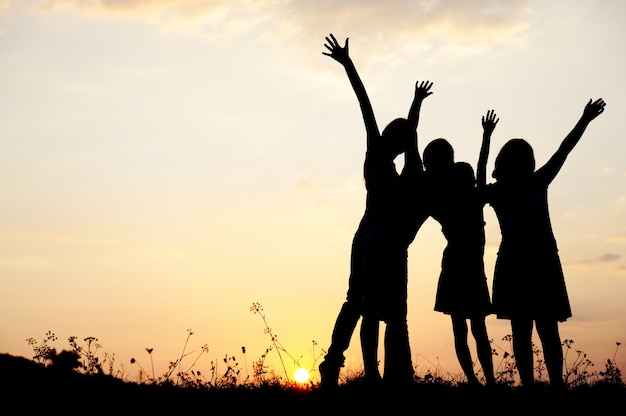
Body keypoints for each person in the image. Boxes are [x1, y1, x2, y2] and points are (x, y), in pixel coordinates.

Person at [318, 33, 432, 387]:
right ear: (396, 140)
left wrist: (416, 104)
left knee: (357, 302)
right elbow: (364, 105)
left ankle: (335, 362)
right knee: (363, 304)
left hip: (369, 235)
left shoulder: (392, 165)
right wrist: (349, 64)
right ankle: (355, 368)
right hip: (376, 237)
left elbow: (410, 136)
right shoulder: (378, 154)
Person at [482, 98, 606, 390]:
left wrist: (585, 119)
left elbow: (565, 149)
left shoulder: (539, 182)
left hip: (542, 262)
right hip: (518, 263)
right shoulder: (496, 192)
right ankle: (529, 385)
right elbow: (476, 182)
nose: (523, 163)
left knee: (548, 329)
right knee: (523, 330)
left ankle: (557, 384)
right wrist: (486, 139)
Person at [420, 111, 499, 387]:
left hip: (465, 271)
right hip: (459, 270)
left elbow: (480, 166)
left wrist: (486, 136)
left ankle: (485, 380)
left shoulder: (466, 201)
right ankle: (477, 381)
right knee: (468, 329)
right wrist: (486, 136)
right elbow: (478, 166)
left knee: (473, 329)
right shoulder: (451, 204)